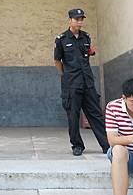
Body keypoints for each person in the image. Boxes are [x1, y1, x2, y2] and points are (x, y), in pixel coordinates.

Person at [54, 8, 109, 156]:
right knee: (73, 115)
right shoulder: (61, 39)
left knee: (96, 114)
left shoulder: (86, 38)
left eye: (81, 19)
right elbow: (57, 60)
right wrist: (64, 75)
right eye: (76, 19)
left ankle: (106, 145)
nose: (79, 22)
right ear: (70, 20)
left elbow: (89, 55)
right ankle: (77, 145)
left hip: (87, 82)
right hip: (71, 83)